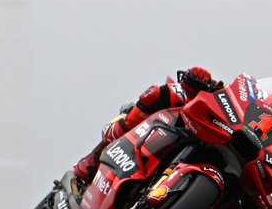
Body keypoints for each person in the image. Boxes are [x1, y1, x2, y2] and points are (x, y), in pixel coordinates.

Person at [72, 66, 223, 185]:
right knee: (161, 95)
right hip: (150, 135)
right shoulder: (180, 96)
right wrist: (197, 82)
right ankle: (88, 165)